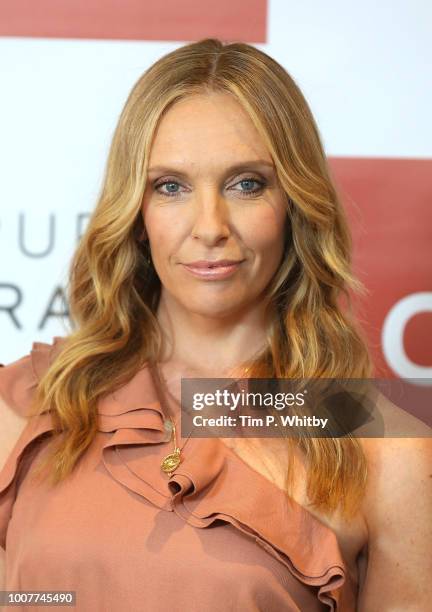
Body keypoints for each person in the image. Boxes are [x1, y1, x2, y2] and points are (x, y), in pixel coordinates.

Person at [0, 38, 431, 612]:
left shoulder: (390, 452)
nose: (210, 225)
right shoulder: (21, 409)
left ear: (295, 204)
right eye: (171, 186)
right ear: (136, 210)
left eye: (246, 183)